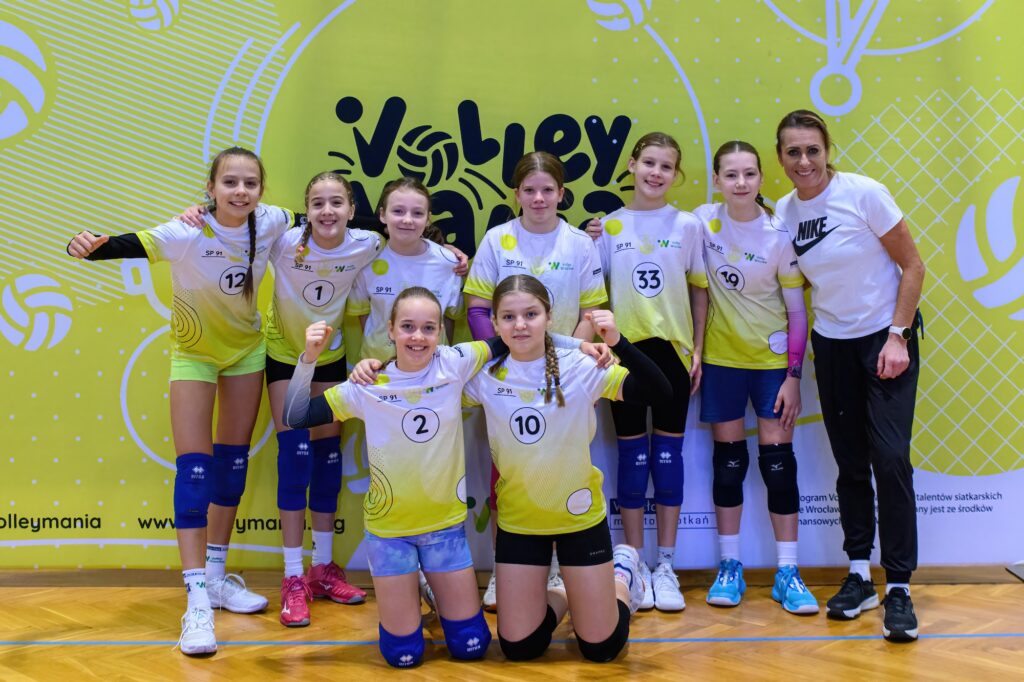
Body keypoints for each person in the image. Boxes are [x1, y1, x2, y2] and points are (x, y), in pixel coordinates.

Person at [282, 287, 610, 667]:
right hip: (389, 535)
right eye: (407, 326)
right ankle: (413, 592)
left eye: (428, 328)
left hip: (445, 532)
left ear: (440, 332)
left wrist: (577, 346)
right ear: (391, 329)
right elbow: (294, 416)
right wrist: (308, 359)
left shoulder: (455, 362)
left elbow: (516, 336)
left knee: (471, 647)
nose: (418, 336)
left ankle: (433, 593)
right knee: (403, 656)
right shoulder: (368, 385)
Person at [66, 146, 289, 656]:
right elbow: (117, 245)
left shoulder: (272, 221)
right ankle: (197, 601)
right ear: (210, 188)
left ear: (261, 190)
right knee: (195, 471)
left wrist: (427, 240)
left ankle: (216, 576)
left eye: (250, 183)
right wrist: (83, 245)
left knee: (232, 467)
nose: (240, 191)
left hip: (246, 354)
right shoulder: (186, 230)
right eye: (229, 182)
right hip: (194, 356)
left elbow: (331, 220)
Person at [463, 274, 670, 663]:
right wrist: (374, 368)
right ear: (494, 323)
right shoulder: (484, 376)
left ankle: (623, 576)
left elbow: (660, 393)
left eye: (531, 314)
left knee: (601, 648)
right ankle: (565, 595)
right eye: (508, 317)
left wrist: (617, 342)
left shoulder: (582, 366)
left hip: (579, 520)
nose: (520, 325)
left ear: (549, 316)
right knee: (520, 647)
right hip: (520, 522)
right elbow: (426, 374)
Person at [774, 109, 925, 641]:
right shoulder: (784, 213)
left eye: (813, 150)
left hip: (886, 338)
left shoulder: (863, 193)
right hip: (832, 344)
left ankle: (899, 586)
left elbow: (914, 266)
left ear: (827, 150)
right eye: (793, 152)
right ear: (781, 158)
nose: (804, 161)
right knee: (851, 462)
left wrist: (898, 335)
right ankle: (859, 574)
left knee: (891, 458)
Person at [464, 151, 608, 610]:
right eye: (530, 190)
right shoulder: (497, 239)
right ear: (517, 194)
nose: (539, 198)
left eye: (548, 190)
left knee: (561, 466)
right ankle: (505, 570)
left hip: (562, 375)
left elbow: (591, 312)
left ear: (562, 193)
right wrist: (502, 356)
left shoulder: (579, 244)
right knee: (507, 469)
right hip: (509, 372)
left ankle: (559, 570)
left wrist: (567, 363)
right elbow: (477, 307)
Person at [693, 141, 816, 614]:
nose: (740, 183)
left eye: (749, 174)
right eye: (731, 175)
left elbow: (797, 313)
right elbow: (654, 228)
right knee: (728, 464)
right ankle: (730, 566)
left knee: (778, 465)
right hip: (722, 362)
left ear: (762, 179)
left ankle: (788, 571)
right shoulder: (701, 223)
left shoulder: (779, 233)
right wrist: (602, 228)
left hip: (771, 367)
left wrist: (793, 377)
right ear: (717, 181)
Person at [586, 132, 708, 612]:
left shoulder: (688, 225)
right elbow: (595, 297)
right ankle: (633, 563)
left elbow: (699, 290)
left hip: (673, 353)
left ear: (676, 175)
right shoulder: (608, 227)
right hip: (624, 357)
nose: (656, 173)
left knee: (668, 457)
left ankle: (666, 566)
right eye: (649, 163)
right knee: (632, 458)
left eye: (666, 166)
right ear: (633, 165)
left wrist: (698, 349)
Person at [262, 172, 378, 626]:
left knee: (328, 464)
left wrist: (451, 252)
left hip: (331, 358)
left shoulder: (367, 243)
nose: (327, 211)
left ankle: (323, 570)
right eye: (317, 203)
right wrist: (199, 212)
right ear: (305, 210)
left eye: (336, 203)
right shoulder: (284, 241)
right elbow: (238, 224)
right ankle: (293, 577)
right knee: (295, 461)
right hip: (285, 358)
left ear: (352, 209)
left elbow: (408, 234)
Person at [348, 178, 465, 363]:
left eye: (417, 213)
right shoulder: (367, 260)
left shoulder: (448, 262)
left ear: (428, 219)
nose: (407, 220)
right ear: (383, 215)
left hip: (432, 367)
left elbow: (449, 319)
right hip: (378, 366)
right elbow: (364, 316)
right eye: (398, 211)